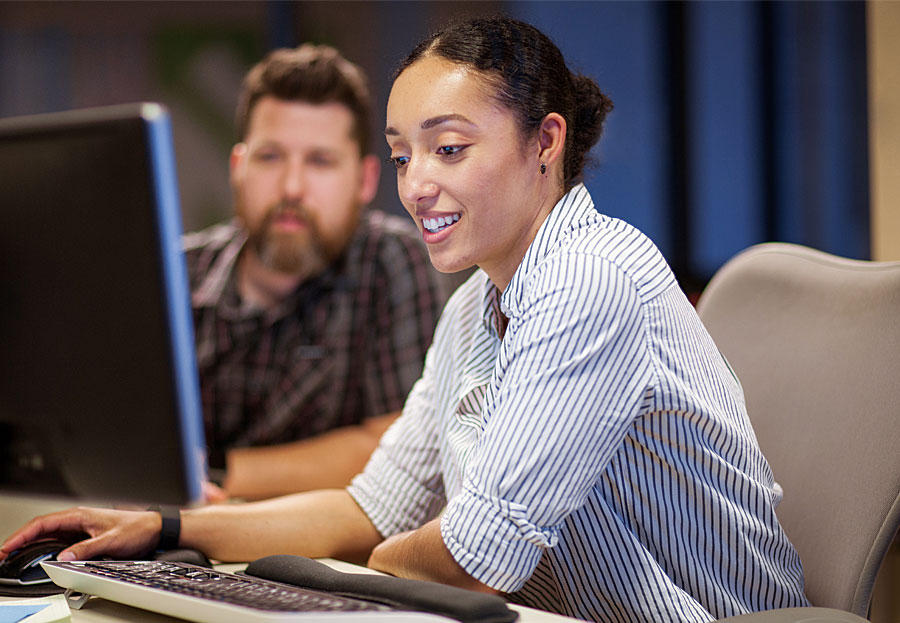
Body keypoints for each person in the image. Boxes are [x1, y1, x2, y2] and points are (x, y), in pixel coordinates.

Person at [0, 17, 809, 623]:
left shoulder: (588, 277)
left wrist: (369, 564)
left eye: (448, 149)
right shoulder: (473, 307)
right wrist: (171, 526)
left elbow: (472, 558)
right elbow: (369, 505)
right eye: (401, 155)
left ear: (545, 144)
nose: (415, 183)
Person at [184, 44, 444, 500]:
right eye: (270, 157)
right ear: (237, 168)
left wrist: (214, 474)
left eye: (320, 161)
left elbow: (396, 449)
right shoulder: (177, 275)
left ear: (364, 181)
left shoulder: (390, 263)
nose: (291, 187)